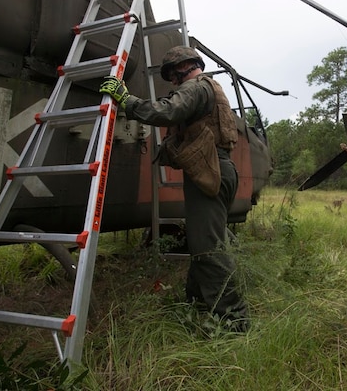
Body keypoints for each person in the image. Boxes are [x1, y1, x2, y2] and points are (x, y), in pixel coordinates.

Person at [99, 46, 249, 332]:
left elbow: (169, 111)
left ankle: (234, 322)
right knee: (202, 242)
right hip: (218, 170)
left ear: (186, 67)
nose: (172, 82)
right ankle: (197, 303)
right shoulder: (210, 88)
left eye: (173, 75)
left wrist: (126, 99)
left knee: (209, 250)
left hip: (210, 172)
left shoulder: (195, 87)